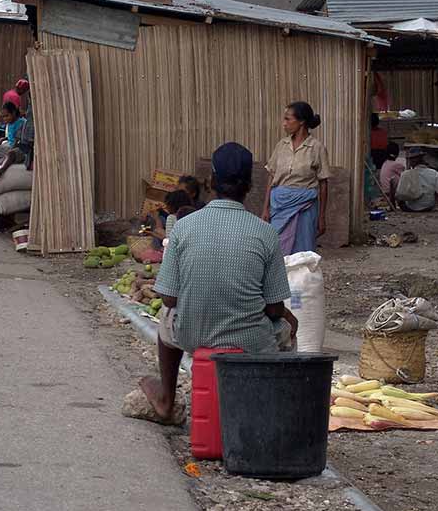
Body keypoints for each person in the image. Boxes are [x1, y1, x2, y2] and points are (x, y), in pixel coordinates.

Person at [139, 142, 297, 423]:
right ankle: (273, 410)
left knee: (166, 319)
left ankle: (166, 400)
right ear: (249, 186)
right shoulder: (266, 233)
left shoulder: (183, 227)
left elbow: (169, 299)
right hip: (249, 341)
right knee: (288, 328)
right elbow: (274, 309)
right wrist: (286, 315)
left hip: (192, 335)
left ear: (211, 182)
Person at [262, 101, 331, 255]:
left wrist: (321, 217)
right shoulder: (281, 145)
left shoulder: (316, 148)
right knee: (277, 252)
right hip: (279, 206)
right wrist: (266, 208)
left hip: (305, 208)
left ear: (301, 122)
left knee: (303, 253)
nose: (284, 123)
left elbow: (323, 184)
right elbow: (271, 177)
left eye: (288, 119)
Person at [395, 148, 438, 212]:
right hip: (429, 207)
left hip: (410, 208)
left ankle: (392, 206)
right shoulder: (434, 173)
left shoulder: (406, 174)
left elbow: (400, 194)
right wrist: (435, 205)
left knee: (394, 181)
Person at [379, 142, 405, 206]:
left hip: (385, 191)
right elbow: (406, 176)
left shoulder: (385, 163)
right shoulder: (396, 165)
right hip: (391, 193)